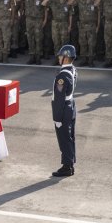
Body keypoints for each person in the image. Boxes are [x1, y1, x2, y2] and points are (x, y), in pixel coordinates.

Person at [51, 45, 77, 177]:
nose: (59, 57)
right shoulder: (72, 70)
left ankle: (67, 167)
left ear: (66, 58)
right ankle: (70, 163)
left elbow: (59, 99)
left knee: (64, 138)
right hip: (71, 105)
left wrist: (57, 118)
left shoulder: (62, 76)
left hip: (64, 108)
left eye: (61, 56)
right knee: (70, 137)